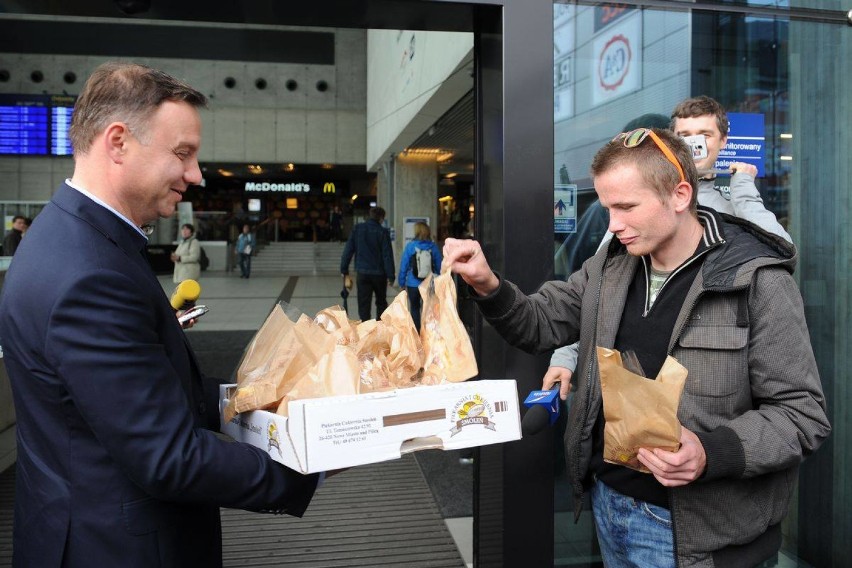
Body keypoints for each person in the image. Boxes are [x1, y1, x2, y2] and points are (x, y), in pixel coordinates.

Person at [443, 128, 830, 567]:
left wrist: (710, 452)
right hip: (610, 506)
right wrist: (486, 283)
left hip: (699, 538)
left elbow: (802, 416)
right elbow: (539, 324)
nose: (613, 225)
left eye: (627, 207)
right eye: (608, 207)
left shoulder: (758, 281)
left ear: (680, 194)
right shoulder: (609, 267)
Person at [0, 62, 320, 567]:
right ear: (118, 142)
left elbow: (148, 389)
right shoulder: (90, 273)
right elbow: (170, 459)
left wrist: (263, 397)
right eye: (183, 153)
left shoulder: (69, 237)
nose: (195, 174)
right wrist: (313, 464)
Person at [548, 101, 794, 394]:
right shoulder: (627, 220)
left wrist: (742, 186)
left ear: (722, 141)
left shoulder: (734, 206)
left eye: (705, 134)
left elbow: (781, 250)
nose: (695, 144)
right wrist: (566, 356)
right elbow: (600, 291)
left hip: (705, 386)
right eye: (685, 135)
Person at [340, 206, 395, 321]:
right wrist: (391, 275)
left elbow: (348, 250)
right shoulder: (383, 232)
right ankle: (379, 328)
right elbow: (387, 255)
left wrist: (344, 269)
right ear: (381, 218)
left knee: (363, 303)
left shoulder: (358, 229)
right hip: (380, 274)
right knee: (381, 302)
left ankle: (366, 328)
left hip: (363, 273)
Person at [397, 221, 442, 330]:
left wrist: (401, 283)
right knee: (428, 309)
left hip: (413, 284)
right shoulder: (433, 247)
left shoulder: (410, 246)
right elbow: (439, 266)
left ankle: (416, 333)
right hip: (429, 283)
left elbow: (404, 266)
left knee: (415, 308)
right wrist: (439, 281)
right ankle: (428, 332)